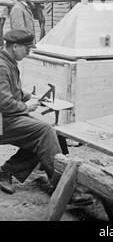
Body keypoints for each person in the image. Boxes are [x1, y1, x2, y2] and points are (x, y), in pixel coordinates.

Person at [0, 29, 92, 204]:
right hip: (2, 120)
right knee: (44, 132)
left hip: (5, 117)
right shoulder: (2, 66)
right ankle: (65, 189)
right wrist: (25, 106)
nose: (28, 52)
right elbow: (4, 103)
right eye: (26, 49)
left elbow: (10, 91)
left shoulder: (7, 60)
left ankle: (7, 171)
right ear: (15, 46)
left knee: (42, 134)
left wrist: (28, 96)